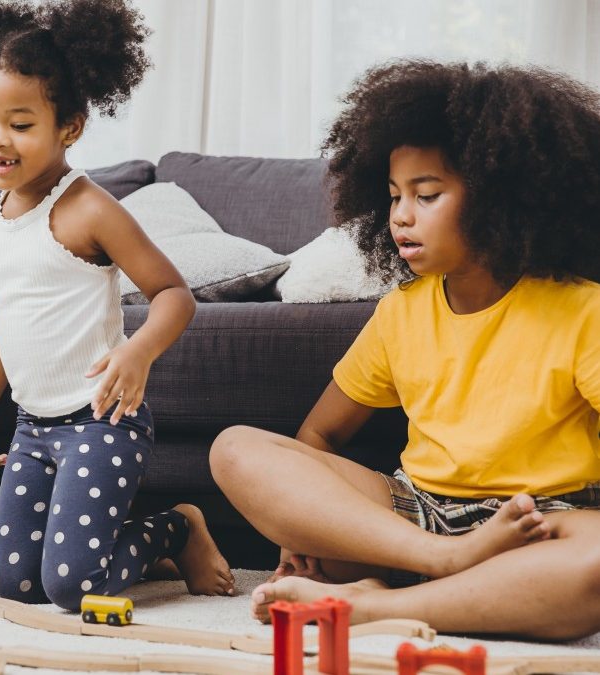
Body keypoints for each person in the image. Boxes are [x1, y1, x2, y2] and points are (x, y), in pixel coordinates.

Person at [210, 60, 600, 640]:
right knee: (235, 448)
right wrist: (303, 530)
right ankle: (442, 568)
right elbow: (319, 438)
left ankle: (371, 607)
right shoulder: (402, 310)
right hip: (412, 522)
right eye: (394, 196)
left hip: (539, 524)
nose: (400, 216)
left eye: (427, 194)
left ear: (501, 199)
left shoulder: (582, 309)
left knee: (594, 562)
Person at [0, 0, 234, 611]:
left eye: (20, 123)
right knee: (17, 585)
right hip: (34, 429)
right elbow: (2, 319)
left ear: (69, 126)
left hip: (102, 424)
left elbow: (173, 294)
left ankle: (176, 528)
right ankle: (123, 542)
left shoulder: (88, 209)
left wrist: (138, 350)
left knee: (72, 587)